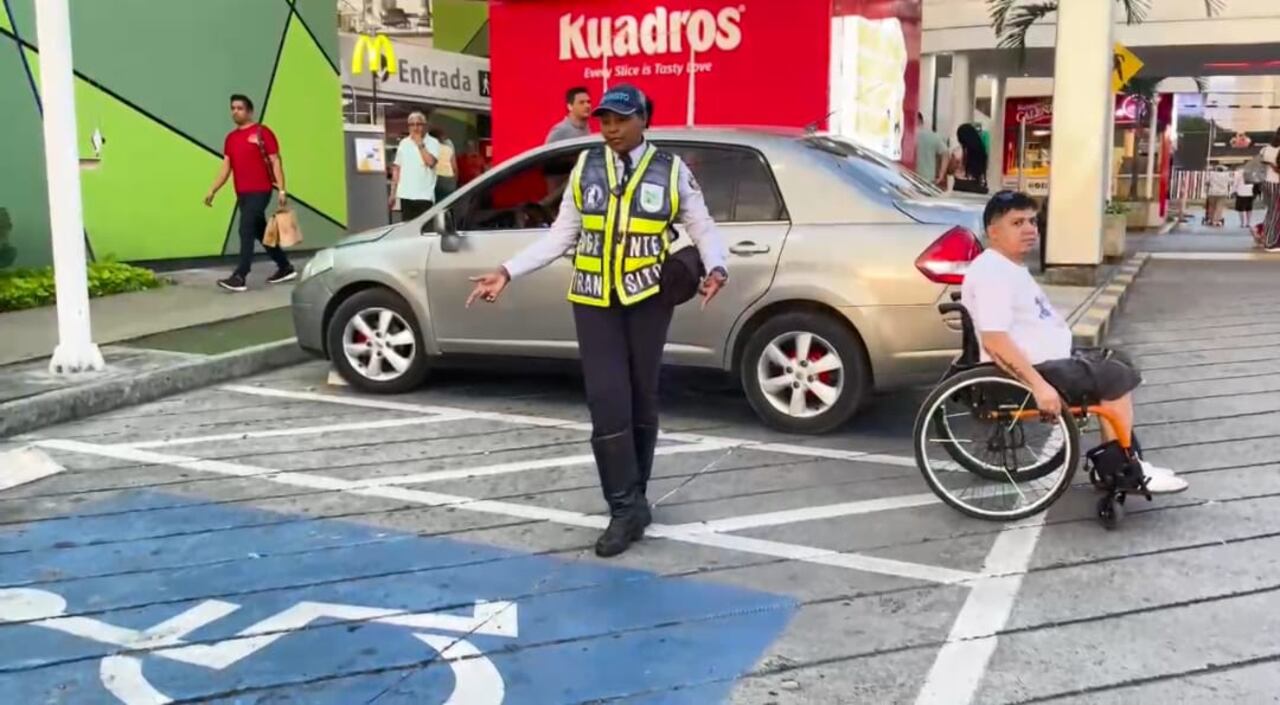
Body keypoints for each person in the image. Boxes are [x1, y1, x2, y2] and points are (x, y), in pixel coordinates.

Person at [467, 85, 729, 557]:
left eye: (621, 119)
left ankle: (637, 499)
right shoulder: (586, 168)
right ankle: (622, 508)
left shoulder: (671, 170)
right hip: (593, 300)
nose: (610, 128)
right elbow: (561, 236)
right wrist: (507, 271)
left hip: (648, 298)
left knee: (642, 398)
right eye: (604, 120)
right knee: (607, 400)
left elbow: (702, 225)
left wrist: (716, 267)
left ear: (644, 119)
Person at [961, 190, 1187, 494]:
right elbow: (995, 340)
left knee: (1117, 360)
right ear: (993, 231)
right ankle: (1126, 469)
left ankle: (1121, 464)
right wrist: (1040, 387)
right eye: (1017, 223)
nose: (1029, 229)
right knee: (1114, 376)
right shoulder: (993, 274)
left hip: (1049, 360)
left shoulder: (1007, 266)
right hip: (1033, 371)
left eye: (1032, 221)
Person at [204, 94, 294, 292]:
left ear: (250, 111)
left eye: (240, 108)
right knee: (260, 232)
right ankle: (285, 267)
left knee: (245, 229)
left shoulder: (262, 132)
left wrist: (282, 189)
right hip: (242, 194)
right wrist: (213, 190)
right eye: (233, 108)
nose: (235, 112)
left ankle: (240, 275)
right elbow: (226, 167)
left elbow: (275, 161)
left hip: (261, 190)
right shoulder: (231, 138)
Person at [389, 111, 440, 222]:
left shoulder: (433, 142)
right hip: (406, 195)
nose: (415, 128)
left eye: (418, 124)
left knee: (424, 228)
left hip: (424, 196)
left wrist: (420, 143)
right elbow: (397, 168)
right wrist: (392, 193)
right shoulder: (403, 143)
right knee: (408, 227)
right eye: (412, 125)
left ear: (424, 126)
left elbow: (431, 162)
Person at [946, 123, 989, 194]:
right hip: (976, 185)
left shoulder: (957, 152)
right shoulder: (981, 152)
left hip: (960, 185)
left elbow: (950, 171)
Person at [1258, 129, 1280, 251]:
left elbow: (1260, 165)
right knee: (1276, 214)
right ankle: (1271, 242)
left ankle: (1265, 237)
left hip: (1266, 183)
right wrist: (1273, 165)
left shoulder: (1266, 149)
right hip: (1276, 183)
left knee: (1270, 212)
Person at [915, 112, 948, 186]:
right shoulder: (933, 136)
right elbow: (945, 153)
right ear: (921, 121)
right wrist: (941, 174)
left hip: (907, 179)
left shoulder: (905, 135)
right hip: (928, 179)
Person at [430, 126, 459, 200]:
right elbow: (454, 167)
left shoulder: (430, 148)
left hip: (437, 178)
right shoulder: (449, 148)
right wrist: (455, 181)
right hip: (449, 179)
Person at [1233, 165, 1256, 230]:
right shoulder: (1252, 173)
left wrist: (1234, 191)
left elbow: (1235, 183)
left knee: (1241, 209)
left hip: (1241, 193)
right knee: (1249, 209)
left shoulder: (1238, 173)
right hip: (1250, 193)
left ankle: (1242, 223)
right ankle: (1248, 223)